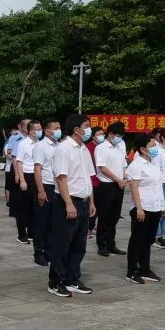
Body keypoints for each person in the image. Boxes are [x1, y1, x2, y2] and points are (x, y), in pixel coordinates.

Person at [48, 113, 96, 297]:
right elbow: (61, 178)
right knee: (62, 243)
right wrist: (68, 203)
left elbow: (88, 178)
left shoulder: (84, 149)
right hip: (68, 201)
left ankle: (72, 279)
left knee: (79, 244)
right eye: (86, 126)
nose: (89, 129)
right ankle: (56, 281)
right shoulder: (64, 149)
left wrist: (91, 202)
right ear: (76, 129)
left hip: (83, 201)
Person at [124, 133, 164, 284]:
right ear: (142, 149)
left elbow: (158, 186)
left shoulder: (153, 163)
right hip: (143, 207)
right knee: (137, 240)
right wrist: (139, 208)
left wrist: (161, 206)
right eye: (152, 145)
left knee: (148, 240)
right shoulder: (136, 165)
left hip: (155, 207)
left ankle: (145, 269)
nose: (155, 148)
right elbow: (134, 187)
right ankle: (132, 271)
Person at [30, 119, 62, 268]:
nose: (59, 130)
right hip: (45, 186)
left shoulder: (59, 145)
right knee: (41, 222)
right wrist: (41, 190)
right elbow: (37, 169)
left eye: (59, 127)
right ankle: (39, 253)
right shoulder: (40, 146)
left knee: (53, 223)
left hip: (57, 187)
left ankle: (50, 251)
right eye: (56, 128)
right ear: (48, 131)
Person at [93, 121, 128, 257]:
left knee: (115, 216)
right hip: (106, 185)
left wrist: (124, 178)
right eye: (118, 136)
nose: (120, 139)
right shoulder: (101, 148)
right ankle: (101, 245)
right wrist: (117, 179)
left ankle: (111, 244)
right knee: (104, 215)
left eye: (121, 136)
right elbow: (102, 167)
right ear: (111, 134)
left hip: (119, 185)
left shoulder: (121, 145)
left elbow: (123, 163)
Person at [12, 120, 41, 245]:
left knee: (35, 206)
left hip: (38, 176)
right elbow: (19, 162)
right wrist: (22, 179)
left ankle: (31, 233)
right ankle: (21, 234)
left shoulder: (39, 143)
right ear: (30, 131)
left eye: (40, 129)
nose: (39, 131)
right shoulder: (23, 144)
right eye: (36, 129)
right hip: (27, 175)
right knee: (24, 207)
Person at [85, 125, 103, 237]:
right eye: (99, 134)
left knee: (99, 206)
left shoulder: (103, 147)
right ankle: (88, 227)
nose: (102, 136)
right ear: (93, 136)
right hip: (92, 181)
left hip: (102, 181)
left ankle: (93, 226)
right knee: (91, 205)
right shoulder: (88, 148)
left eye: (103, 134)